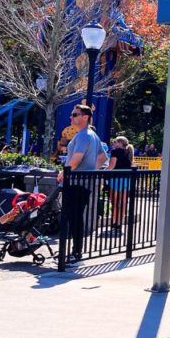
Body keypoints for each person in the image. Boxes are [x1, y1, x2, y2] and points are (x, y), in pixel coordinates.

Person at [57, 105, 108, 263]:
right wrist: (91, 171)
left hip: (76, 183)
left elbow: (76, 159)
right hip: (85, 183)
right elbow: (103, 158)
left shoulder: (83, 136)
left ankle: (75, 253)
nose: (71, 117)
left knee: (74, 218)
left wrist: (63, 172)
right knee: (76, 217)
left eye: (75, 114)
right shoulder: (93, 135)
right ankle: (75, 252)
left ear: (85, 117)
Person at [107, 136, 135, 230]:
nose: (114, 144)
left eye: (115, 142)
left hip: (116, 178)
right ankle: (120, 223)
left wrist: (102, 171)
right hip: (126, 179)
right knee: (123, 202)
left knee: (114, 202)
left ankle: (114, 222)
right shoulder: (129, 152)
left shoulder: (115, 152)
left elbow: (111, 166)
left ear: (119, 143)